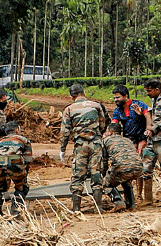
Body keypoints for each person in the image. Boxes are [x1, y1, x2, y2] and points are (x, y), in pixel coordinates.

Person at [59, 83, 109, 213]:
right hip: (96, 144)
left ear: (71, 97)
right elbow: (103, 124)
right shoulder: (96, 106)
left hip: (80, 146)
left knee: (78, 175)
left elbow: (65, 132)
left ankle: (76, 208)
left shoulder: (69, 109)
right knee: (96, 174)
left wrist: (62, 149)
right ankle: (98, 207)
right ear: (84, 92)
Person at [0, 121, 32, 216]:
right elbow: (28, 159)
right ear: (17, 130)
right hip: (15, 163)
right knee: (22, 188)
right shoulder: (23, 140)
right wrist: (23, 177)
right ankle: (16, 212)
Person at [99, 120, 141, 212]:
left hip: (122, 167)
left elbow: (104, 162)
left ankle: (118, 201)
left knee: (105, 184)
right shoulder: (128, 140)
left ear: (110, 132)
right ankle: (131, 204)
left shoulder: (106, 141)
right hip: (138, 168)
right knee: (126, 181)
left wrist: (103, 174)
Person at [111, 85, 148, 153]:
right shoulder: (117, 110)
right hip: (129, 139)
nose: (116, 100)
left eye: (118, 97)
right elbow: (114, 125)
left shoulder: (139, 104)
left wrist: (148, 129)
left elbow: (149, 116)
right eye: (114, 98)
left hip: (143, 138)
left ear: (126, 96)